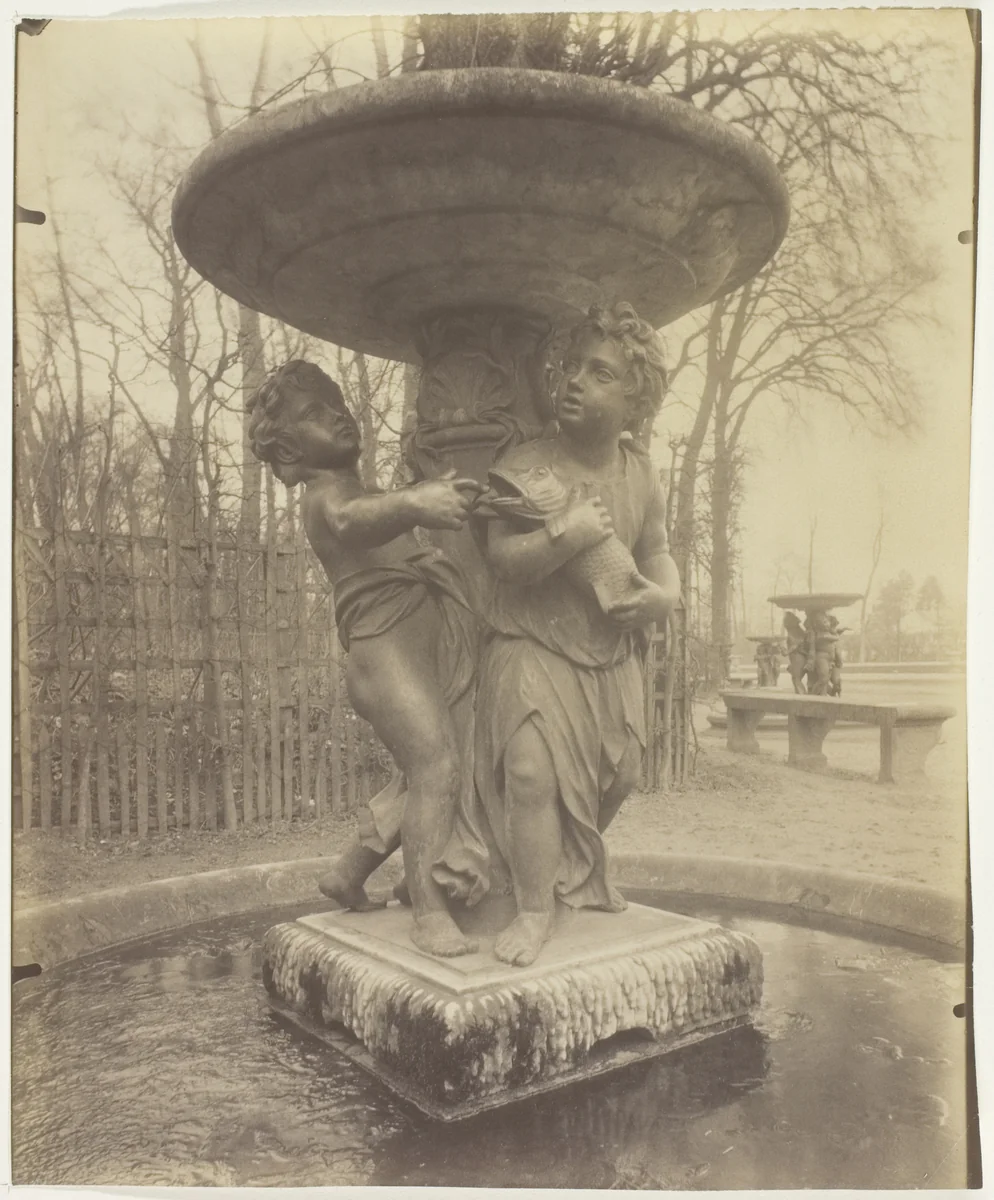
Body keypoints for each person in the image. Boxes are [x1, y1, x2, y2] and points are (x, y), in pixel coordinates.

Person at [247, 360, 486, 957]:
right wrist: (417, 501)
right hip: (384, 656)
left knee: (422, 775)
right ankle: (429, 914)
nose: (334, 414)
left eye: (333, 401)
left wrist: (434, 495)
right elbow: (356, 522)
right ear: (288, 452)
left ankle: (346, 875)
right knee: (437, 768)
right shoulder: (328, 498)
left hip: (412, 645)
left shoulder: (363, 487)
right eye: (311, 414)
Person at [472, 302, 681, 967]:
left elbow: (657, 550)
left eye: (601, 373)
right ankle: (534, 909)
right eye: (572, 368)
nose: (574, 382)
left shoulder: (640, 472)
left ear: (634, 400)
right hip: (532, 641)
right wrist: (566, 535)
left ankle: (571, 871)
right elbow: (502, 562)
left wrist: (664, 594)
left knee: (618, 775)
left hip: (608, 646)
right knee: (532, 774)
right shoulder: (526, 462)